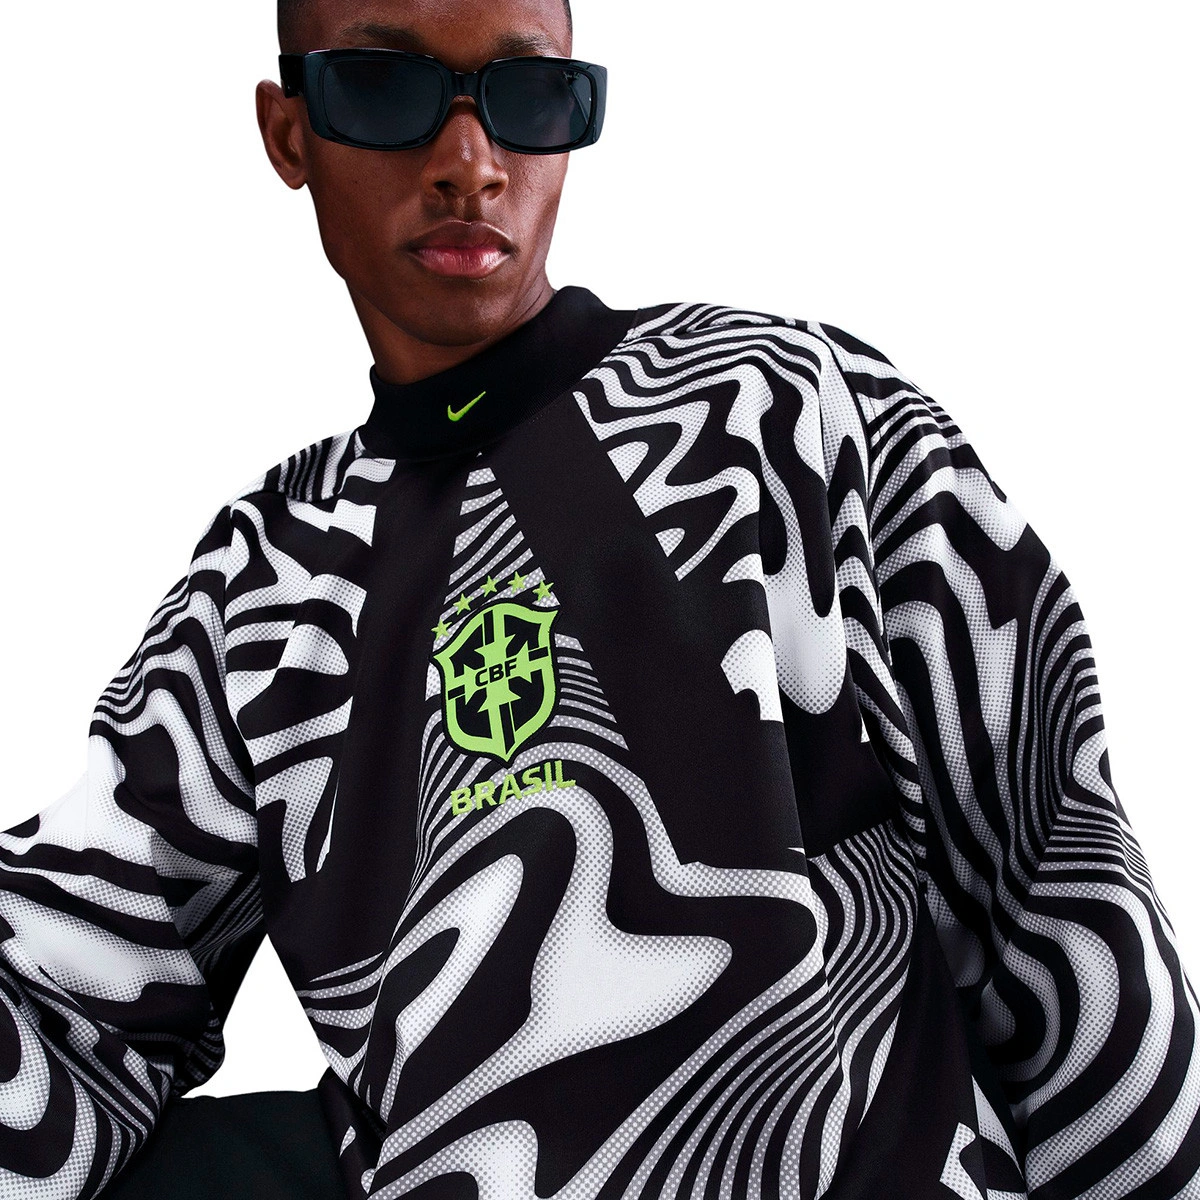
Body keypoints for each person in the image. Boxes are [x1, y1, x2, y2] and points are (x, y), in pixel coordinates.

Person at [2, 0, 1198, 1196]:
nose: (470, 162)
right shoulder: (264, 582)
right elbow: (60, 988)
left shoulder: (781, 411)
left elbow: (1065, 891)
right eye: (383, 86)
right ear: (289, 131)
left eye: (528, 96)